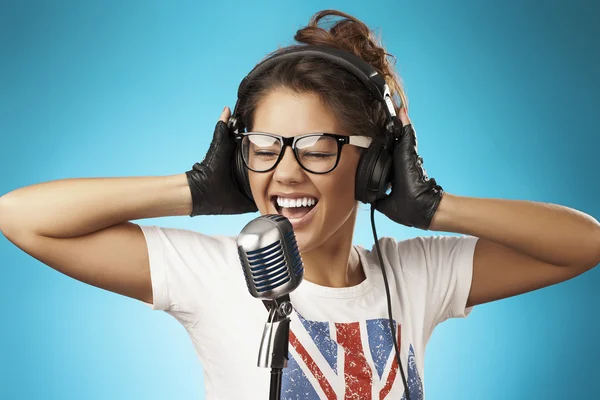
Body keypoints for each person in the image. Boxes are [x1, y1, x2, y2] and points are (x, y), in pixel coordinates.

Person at [0, 9, 598, 400]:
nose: (285, 171)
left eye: (316, 148)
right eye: (263, 147)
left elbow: (584, 244)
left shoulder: (415, 274)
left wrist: (434, 206)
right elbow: (21, 217)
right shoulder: (213, 274)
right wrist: (192, 189)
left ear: (373, 165)